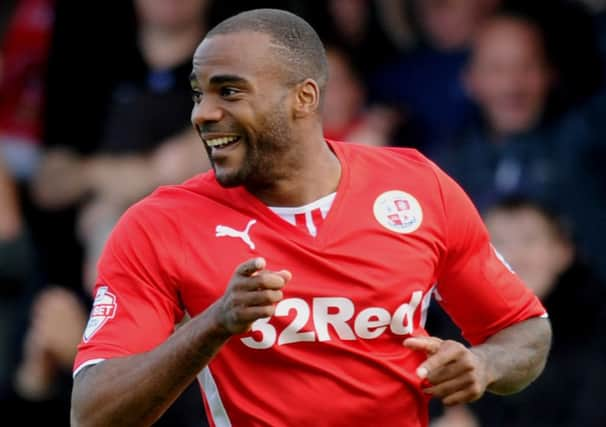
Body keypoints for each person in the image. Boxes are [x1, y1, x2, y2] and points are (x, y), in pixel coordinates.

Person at [70, 9, 552, 427]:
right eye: (198, 94)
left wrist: (484, 365)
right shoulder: (159, 225)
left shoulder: (418, 188)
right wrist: (213, 323)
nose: (202, 113)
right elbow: (92, 413)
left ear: (303, 97)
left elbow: (525, 329)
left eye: (229, 92)